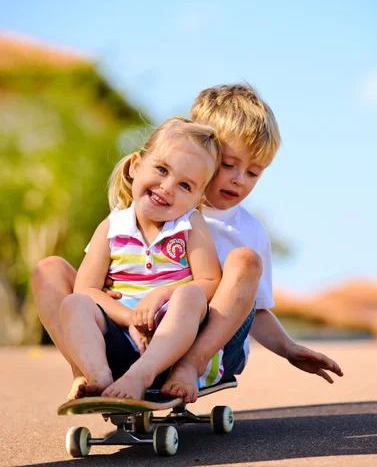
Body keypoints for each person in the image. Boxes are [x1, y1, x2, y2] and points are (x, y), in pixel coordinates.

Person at [32, 83, 343, 403]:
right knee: (50, 270)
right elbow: (92, 286)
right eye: (228, 164)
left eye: (253, 172)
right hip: (131, 330)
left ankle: (187, 366)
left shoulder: (242, 230)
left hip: (210, 345)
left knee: (241, 262)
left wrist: (289, 348)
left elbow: (253, 309)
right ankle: (87, 372)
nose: (239, 179)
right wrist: (115, 303)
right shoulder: (144, 209)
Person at [57, 117, 223, 399]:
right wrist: (131, 318)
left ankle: (141, 375)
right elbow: (86, 288)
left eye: (185, 186)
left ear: (197, 200)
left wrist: (162, 295)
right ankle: (98, 373)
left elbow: (210, 280)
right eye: (161, 169)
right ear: (135, 166)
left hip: (175, 349)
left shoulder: (189, 225)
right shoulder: (112, 228)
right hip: (122, 341)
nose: (168, 187)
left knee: (190, 296)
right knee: (74, 303)